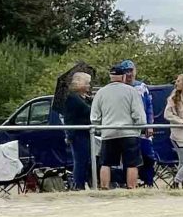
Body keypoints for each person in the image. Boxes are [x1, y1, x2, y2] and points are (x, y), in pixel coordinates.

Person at [89, 60, 147, 189]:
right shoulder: (132, 91)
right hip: (129, 132)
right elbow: (139, 115)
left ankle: (104, 188)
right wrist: (141, 127)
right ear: (124, 76)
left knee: (106, 163)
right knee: (132, 164)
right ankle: (131, 188)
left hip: (108, 132)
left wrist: (100, 127)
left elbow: (94, 117)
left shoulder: (101, 93)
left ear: (110, 77)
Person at [60, 70, 94, 191]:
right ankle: (78, 185)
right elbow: (87, 110)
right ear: (80, 84)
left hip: (85, 132)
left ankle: (88, 183)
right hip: (78, 133)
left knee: (88, 160)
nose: (89, 86)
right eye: (87, 83)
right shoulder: (72, 98)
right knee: (81, 160)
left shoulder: (81, 97)